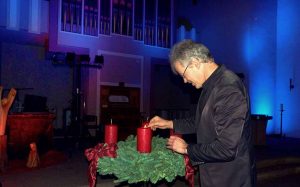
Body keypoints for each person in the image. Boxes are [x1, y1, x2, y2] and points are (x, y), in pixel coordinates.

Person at [148, 40, 255, 187]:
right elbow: (201, 121)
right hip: (215, 174)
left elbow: (226, 149)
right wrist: (168, 123)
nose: (185, 81)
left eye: (183, 75)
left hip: (230, 178)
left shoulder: (228, 89)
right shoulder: (211, 84)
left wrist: (186, 148)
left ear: (195, 63)